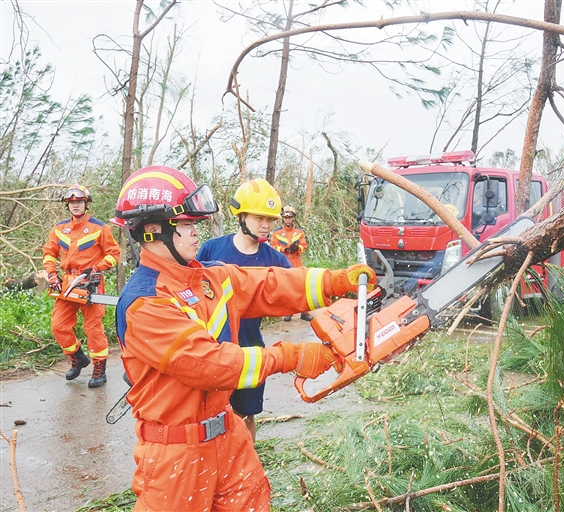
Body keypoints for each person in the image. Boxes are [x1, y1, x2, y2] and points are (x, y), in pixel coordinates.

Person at [111, 165, 375, 511]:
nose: (195, 234)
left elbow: (268, 283)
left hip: (228, 435)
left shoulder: (206, 279)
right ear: (152, 231)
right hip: (175, 455)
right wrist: (291, 357)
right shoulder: (145, 304)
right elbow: (211, 364)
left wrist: (334, 281)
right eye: (187, 225)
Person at [197, 178, 291, 441]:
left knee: (245, 413)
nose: (266, 225)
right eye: (259, 218)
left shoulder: (275, 260)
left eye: (270, 220)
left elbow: (302, 290)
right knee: (212, 413)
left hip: (250, 350)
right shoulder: (211, 250)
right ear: (240, 216)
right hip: (213, 349)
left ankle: (247, 461)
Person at [43, 184, 120, 388]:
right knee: (59, 325)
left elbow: (114, 254)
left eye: (79, 202)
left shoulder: (100, 228)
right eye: (72, 203)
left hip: (91, 282)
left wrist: (96, 268)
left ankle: (99, 368)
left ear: (86, 204)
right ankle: (78, 357)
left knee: (93, 327)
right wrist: (52, 275)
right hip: (68, 282)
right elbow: (49, 254)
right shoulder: (59, 229)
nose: (75, 206)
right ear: (67, 205)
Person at [270, 205, 311, 321]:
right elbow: (273, 246)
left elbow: (304, 246)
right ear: (282, 218)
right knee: (287, 288)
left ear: (293, 218)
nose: (288, 219)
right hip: (284, 262)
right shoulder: (277, 233)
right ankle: (289, 312)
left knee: (301, 286)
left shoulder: (299, 232)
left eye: (290, 217)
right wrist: (284, 250)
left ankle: (304, 312)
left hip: (297, 261)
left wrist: (297, 248)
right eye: (285, 217)